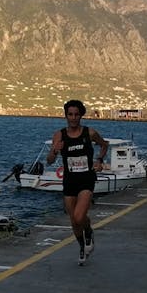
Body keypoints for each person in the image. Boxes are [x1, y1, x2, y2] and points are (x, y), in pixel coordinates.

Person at [47, 100, 108, 265]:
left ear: (81, 115)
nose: (73, 118)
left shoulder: (89, 133)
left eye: (76, 114)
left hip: (86, 179)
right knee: (74, 221)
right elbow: (50, 161)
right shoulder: (59, 135)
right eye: (70, 114)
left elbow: (104, 145)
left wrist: (99, 160)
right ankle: (82, 245)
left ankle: (88, 231)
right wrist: (54, 150)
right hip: (70, 181)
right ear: (66, 116)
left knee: (79, 216)